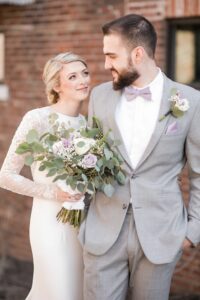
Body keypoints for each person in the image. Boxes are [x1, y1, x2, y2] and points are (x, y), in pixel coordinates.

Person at [79, 14, 200, 300]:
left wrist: (192, 232)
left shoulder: (190, 101)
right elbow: (89, 160)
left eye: (111, 56)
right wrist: (83, 217)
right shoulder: (99, 96)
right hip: (103, 232)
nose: (106, 64)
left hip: (161, 234)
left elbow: (199, 172)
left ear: (137, 54)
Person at [0, 52, 91, 300]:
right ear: (57, 86)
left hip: (82, 224)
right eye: (72, 76)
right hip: (50, 222)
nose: (83, 80)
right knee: (60, 292)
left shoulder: (88, 124)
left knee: (77, 292)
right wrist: (53, 192)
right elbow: (6, 175)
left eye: (84, 73)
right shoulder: (37, 119)